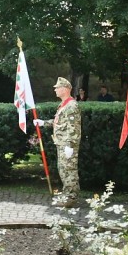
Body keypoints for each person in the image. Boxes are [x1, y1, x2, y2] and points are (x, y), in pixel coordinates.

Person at [36, 77, 82, 207]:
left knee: (69, 171)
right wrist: (43, 123)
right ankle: (67, 195)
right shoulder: (64, 105)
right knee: (63, 170)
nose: (55, 90)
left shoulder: (71, 106)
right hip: (61, 143)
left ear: (65, 89)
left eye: (57, 88)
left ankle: (71, 197)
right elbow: (60, 123)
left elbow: (73, 127)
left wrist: (70, 145)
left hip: (67, 144)